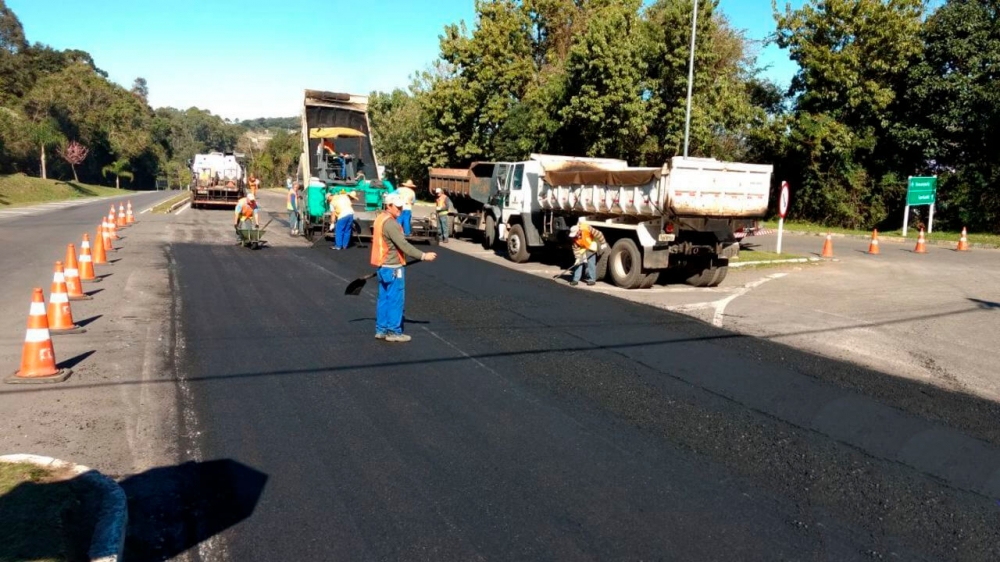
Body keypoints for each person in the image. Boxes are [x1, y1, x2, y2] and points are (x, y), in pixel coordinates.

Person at [371, 193, 437, 342]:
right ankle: (394, 332)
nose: (400, 210)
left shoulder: (380, 219)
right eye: (397, 207)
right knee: (395, 300)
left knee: (384, 299)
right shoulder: (391, 224)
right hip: (394, 267)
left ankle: (381, 330)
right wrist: (423, 256)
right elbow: (404, 245)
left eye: (401, 207)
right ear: (388, 206)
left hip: (382, 266)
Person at [568, 222, 607, 286]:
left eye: (575, 234)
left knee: (591, 262)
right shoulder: (574, 238)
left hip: (591, 244)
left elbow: (599, 234)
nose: (574, 236)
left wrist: (603, 243)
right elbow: (575, 249)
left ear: (578, 231)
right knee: (578, 263)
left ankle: (592, 280)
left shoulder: (587, 228)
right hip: (582, 246)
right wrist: (577, 258)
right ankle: (575, 280)